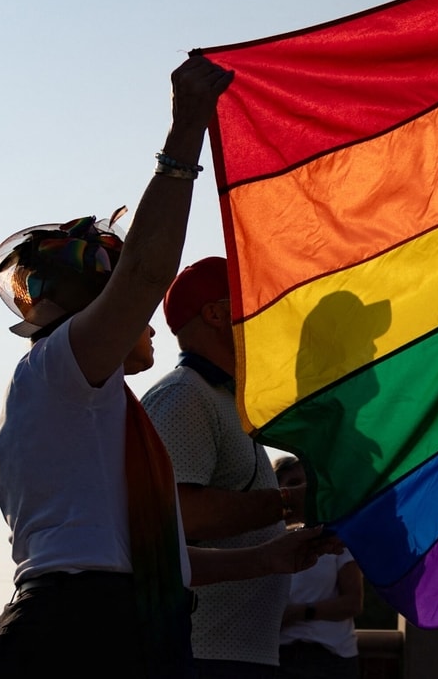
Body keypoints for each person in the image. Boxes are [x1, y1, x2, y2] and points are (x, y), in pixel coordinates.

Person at [0, 54, 342, 679]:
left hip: (112, 620)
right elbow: (147, 274)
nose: (146, 322)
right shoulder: (62, 365)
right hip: (86, 630)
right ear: (95, 312)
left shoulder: (81, 403)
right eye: (129, 310)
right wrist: (185, 136)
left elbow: (150, 556)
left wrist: (272, 558)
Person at [141, 256, 310, 678]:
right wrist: (290, 504)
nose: (264, 308)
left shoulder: (219, 398)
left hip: (232, 655)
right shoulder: (184, 396)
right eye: (250, 297)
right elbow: (180, 516)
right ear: (215, 314)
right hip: (202, 654)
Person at [273, 455, 362, 679]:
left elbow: (353, 602)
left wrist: (300, 612)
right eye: (293, 483)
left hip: (331, 657)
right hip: (276, 658)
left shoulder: (335, 539)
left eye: (307, 482)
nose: (303, 489)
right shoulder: (266, 542)